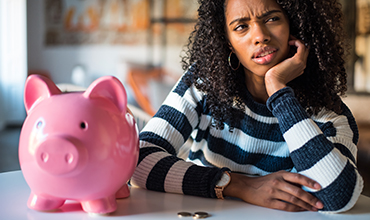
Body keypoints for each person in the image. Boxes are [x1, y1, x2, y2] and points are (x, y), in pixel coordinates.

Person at [130, 0, 363, 213]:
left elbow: (338, 195)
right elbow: (137, 163)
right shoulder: (205, 83)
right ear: (228, 42)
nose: (260, 36)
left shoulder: (328, 110)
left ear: (295, 24)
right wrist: (240, 186)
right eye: (241, 26)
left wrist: (279, 92)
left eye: (272, 19)